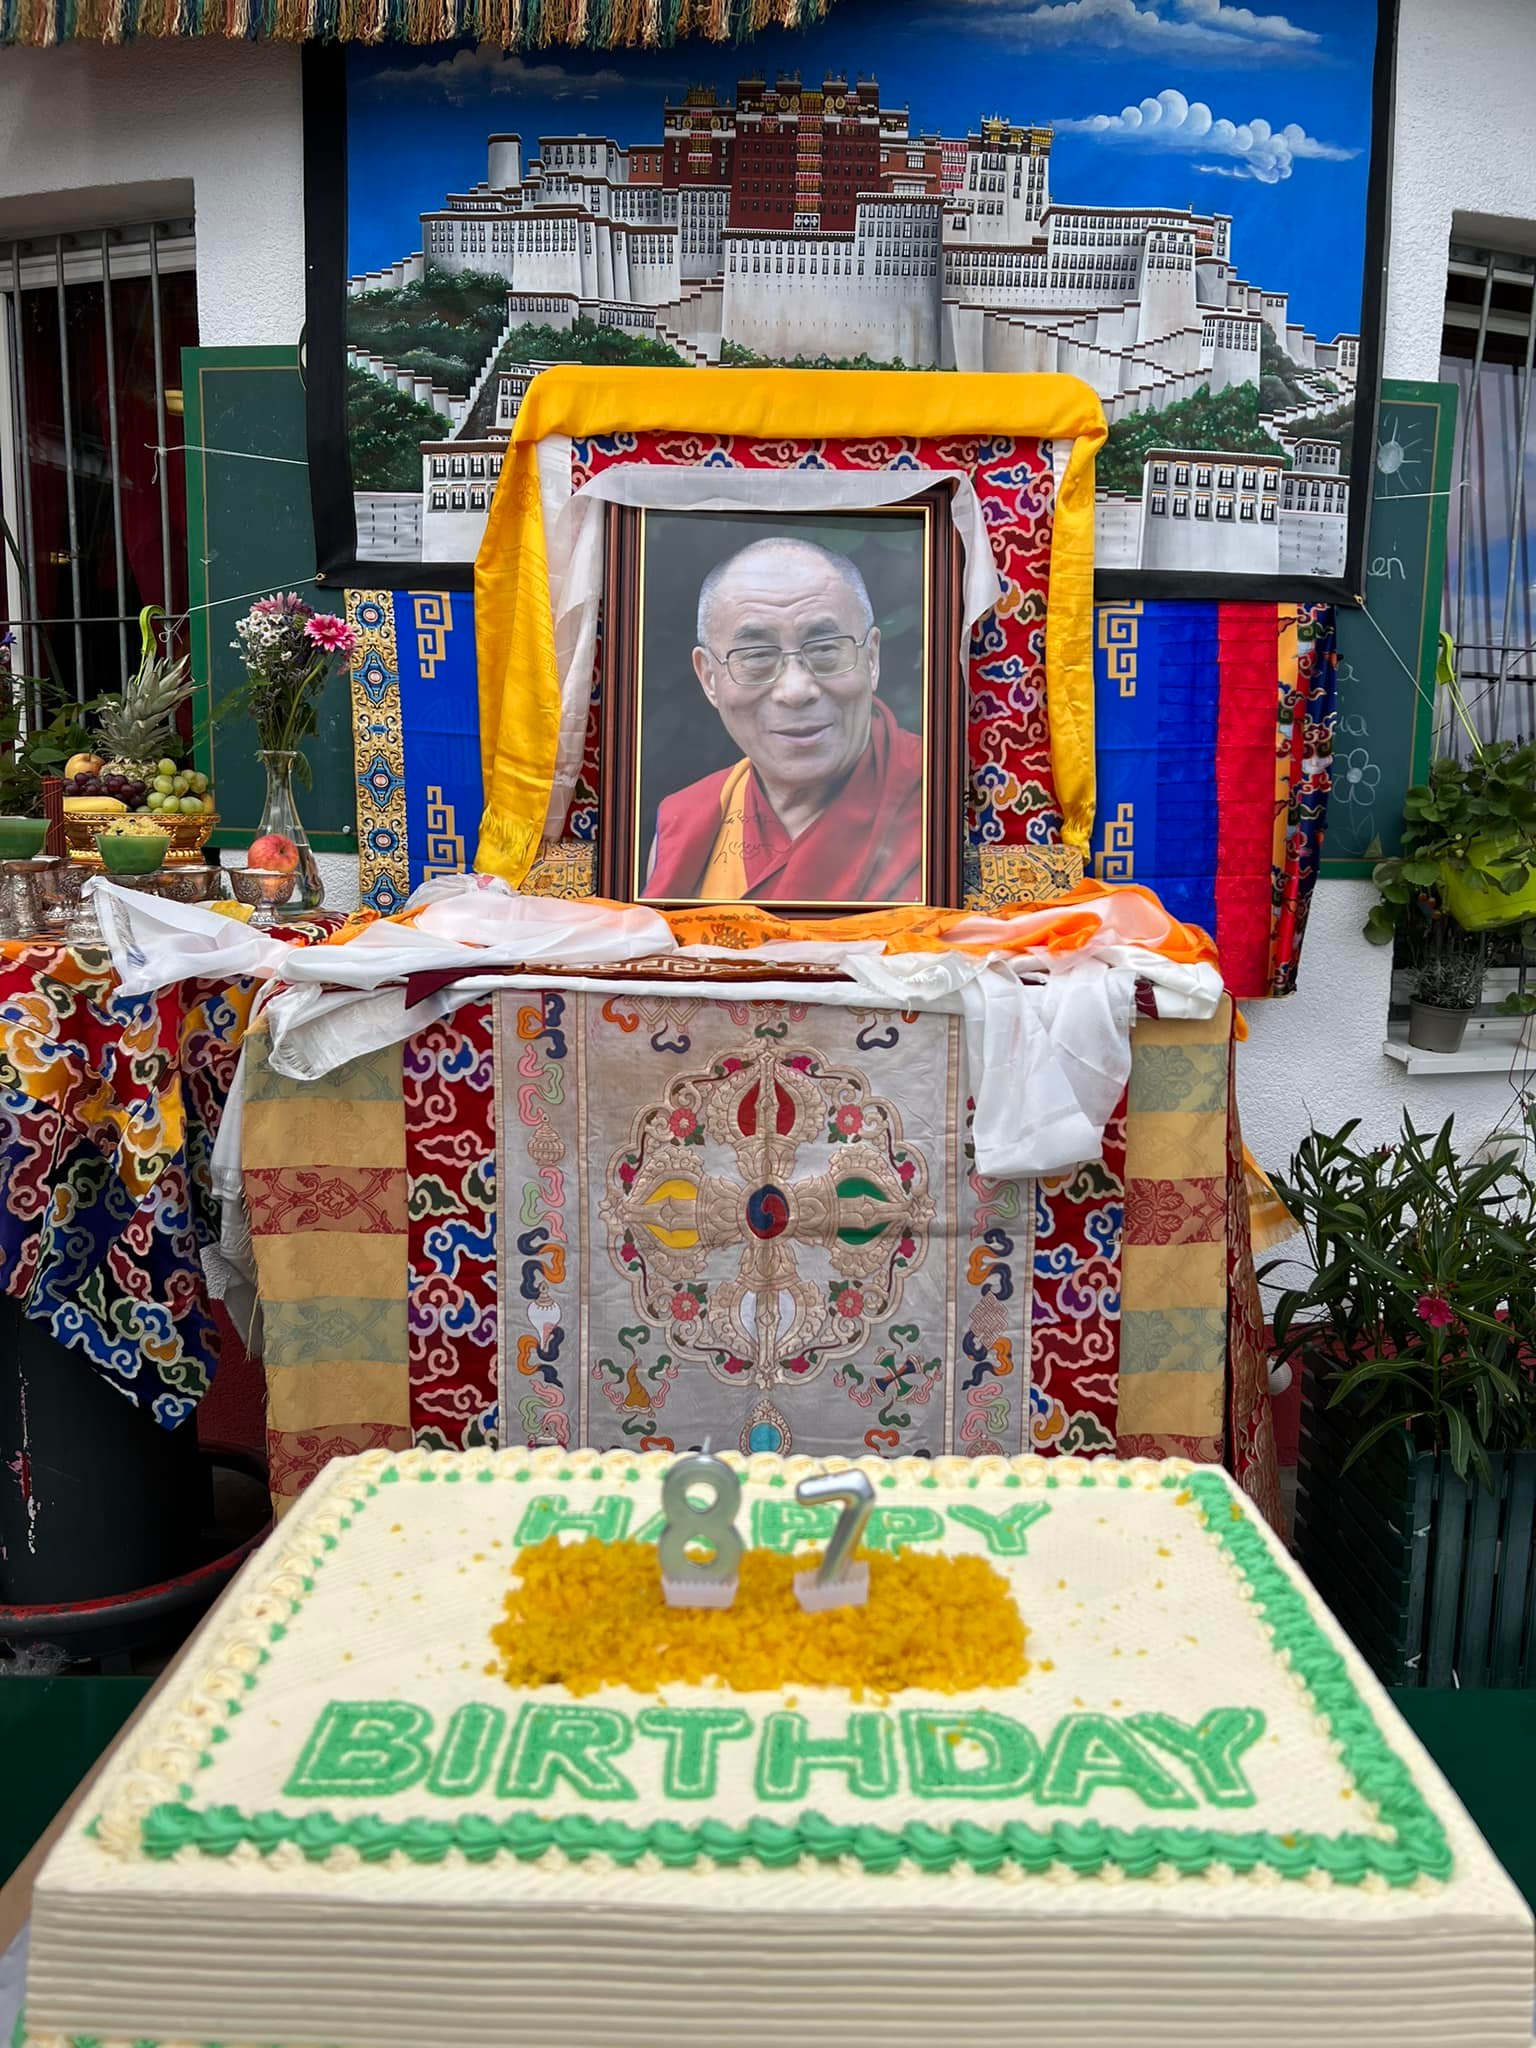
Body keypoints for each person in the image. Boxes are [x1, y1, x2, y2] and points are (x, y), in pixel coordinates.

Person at [643, 536, 925, 904]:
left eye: (825, 649)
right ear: (709, 678)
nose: (795, 690)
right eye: (757, 655)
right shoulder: (685, 826)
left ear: (871, 659)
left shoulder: (936, 797)